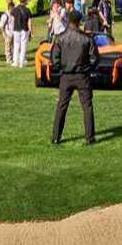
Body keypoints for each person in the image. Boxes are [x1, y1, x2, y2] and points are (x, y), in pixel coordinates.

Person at [49, 9, 99, 145]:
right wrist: (87, 69)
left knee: (61, 106)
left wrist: (61, 69)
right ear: (79, 22)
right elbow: (95, 59)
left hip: (66, 76)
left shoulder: (60, 38)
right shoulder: (87, 38)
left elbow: (54, 58)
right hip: (82, 76)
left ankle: (55, 137)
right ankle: (90, 137)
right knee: (87, 106)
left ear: (69, 21)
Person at [9, 0, 33, 67]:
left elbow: (12, 18)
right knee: (23, 46)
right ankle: (21, 63)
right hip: (25, 30)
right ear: (25, 1)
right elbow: (29, 22)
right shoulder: (27, 10)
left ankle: (15, 62)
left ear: (19, 1)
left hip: (16, 29)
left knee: (16, 46)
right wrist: (31, 31)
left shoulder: (15, 9)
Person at [0, 0, 20, 64]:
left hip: (15, 32)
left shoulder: (14, 14)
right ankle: (8, 59)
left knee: (14, 47)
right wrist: (4, 34)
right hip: (8, 33)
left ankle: (14, 59)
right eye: (13, 9)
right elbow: (1, 26)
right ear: (10, 8)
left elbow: (18, 3)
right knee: (8, 47)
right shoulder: (5, 15)